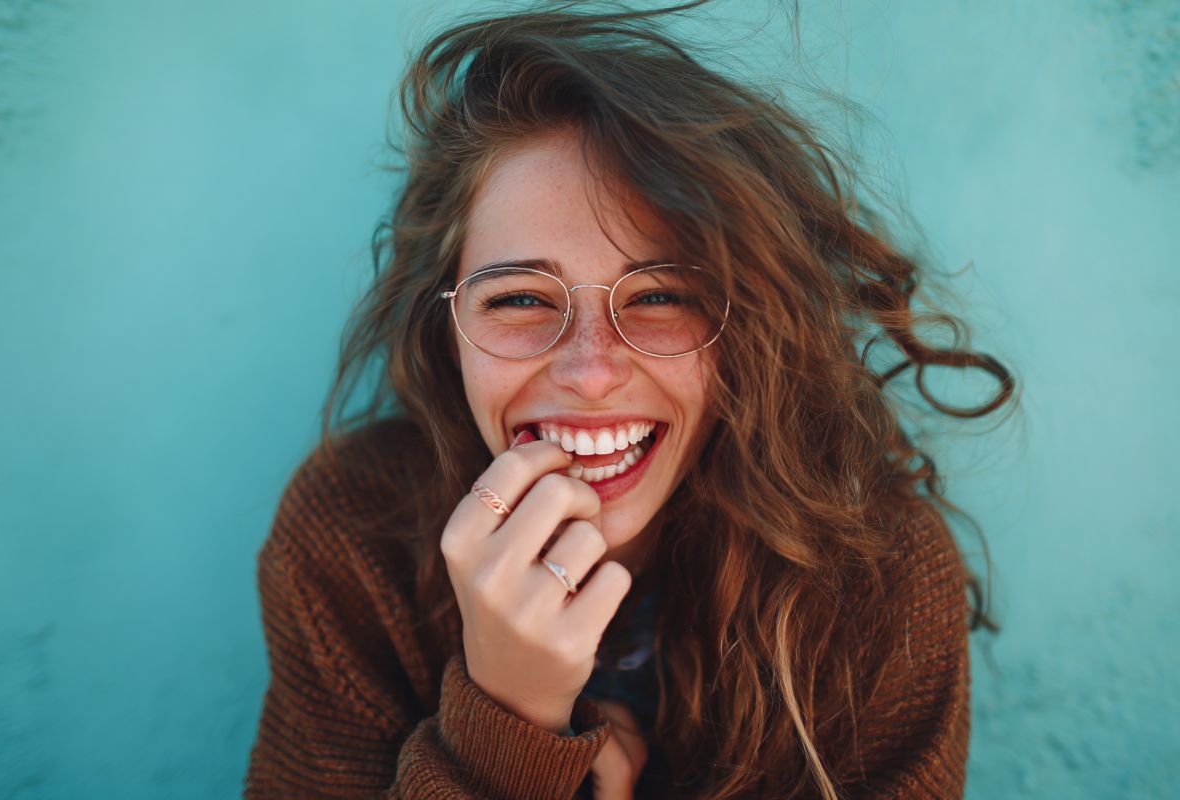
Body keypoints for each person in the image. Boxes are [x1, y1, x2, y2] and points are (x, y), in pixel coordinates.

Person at [243, 2, 1016, 798]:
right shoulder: (351, 539)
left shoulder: (872, 575)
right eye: (518, 300)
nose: (590, 371)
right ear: (445, 326)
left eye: (660, 297)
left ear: (744, 323)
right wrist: (506, 728)